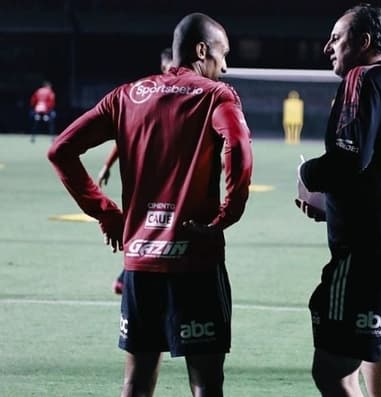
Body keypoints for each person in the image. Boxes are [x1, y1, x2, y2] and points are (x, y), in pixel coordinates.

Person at [48, 13, 253, 397]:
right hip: (196, 260)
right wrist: (230, 212)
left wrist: (106, 213)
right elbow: (239, 148)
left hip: (141, 262)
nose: (225, 66)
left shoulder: (127, 95)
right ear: (202, 50)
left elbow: (61, 150)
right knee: (206, 384)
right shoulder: (215, 95)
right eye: (222, 54)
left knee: (137, 383)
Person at [296, 4, 381, 396]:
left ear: (363, 42)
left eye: (336, 38)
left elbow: (349, 158)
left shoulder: (361, 77)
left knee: (333, 371)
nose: (328, 47)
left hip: (370, 258)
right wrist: (334, 207)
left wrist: (308, 177)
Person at [98, 47, 175, 295]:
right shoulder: (148, 96)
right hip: (148, 178)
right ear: (163, 67)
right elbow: (125, 135)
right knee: (151, 227)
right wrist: (107, 165)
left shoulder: (189, 96)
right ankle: (129, 275)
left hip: (172, 176)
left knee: (164, 229)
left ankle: (133, 276)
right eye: (169, 67)